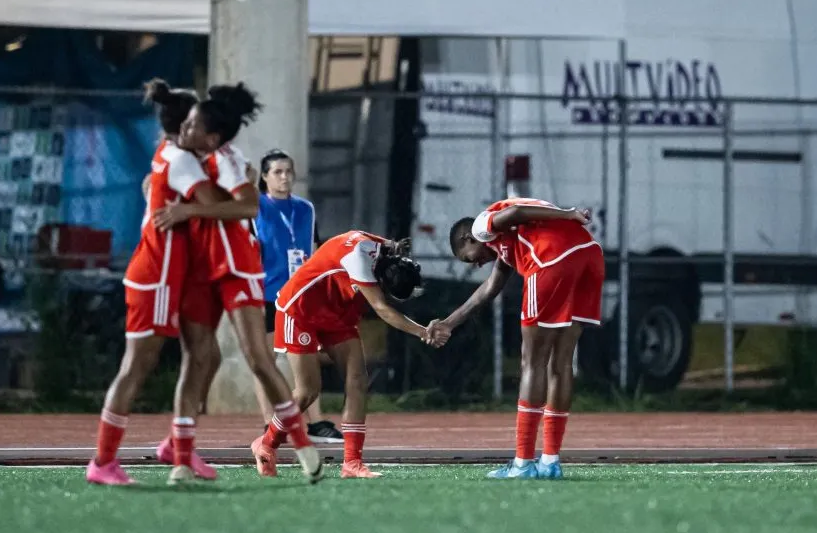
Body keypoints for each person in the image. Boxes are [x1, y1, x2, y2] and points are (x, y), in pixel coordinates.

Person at [153, 83, 324, 485]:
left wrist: (189, 208)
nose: (185, 127)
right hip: (200, 267)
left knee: (258, 359)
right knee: (200, 359)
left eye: (193, 121)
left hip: (237, 268)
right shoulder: (181, 155)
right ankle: (178, 451)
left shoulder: (225, 161)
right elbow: (160, 182)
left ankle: (297, 444)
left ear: (212, 135)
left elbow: (245, 201)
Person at [86, 79, 234, 486]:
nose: (199, 127)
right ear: (184, 124)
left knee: (206, 355)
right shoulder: (182, 162)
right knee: (136, 368)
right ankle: (102, 461)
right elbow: (216, 206)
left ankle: (177, 445)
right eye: (195, 120)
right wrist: (241, 190)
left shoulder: (171, 153)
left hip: (176, 277)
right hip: (156, 276)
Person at [428, 198, 602, 480]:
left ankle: (522, 463)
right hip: (588, 254)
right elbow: (488, 290)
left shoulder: (482, 226)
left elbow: (516, 212)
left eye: (469, 258)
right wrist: (449, 323)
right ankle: (550, 462)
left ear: (467, 237)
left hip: (550, 258)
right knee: (561, 363)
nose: (476, 265)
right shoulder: (507, 244)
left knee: (532, 362)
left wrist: (568, 213)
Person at [251, 230, 447, 478]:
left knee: (357, 382)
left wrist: (394, 244)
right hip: (300, 311)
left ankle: (352, 463)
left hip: (337, 313)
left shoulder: (380, 247)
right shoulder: (358, 259)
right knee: (307, 391)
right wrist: (423, 332)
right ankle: (266, 444)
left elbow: (378, 240)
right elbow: (381, 309)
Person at [253, 149, 342, 444]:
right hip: (266, 293)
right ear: (264, 177)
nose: (284, 177)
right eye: (277, 172)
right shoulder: (255, 208)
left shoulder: (305, 209)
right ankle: (270, 422)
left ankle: (315, 423)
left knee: (305, 356)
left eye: (288, 171)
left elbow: (315, 249)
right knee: (267, 360)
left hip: (300, 294)